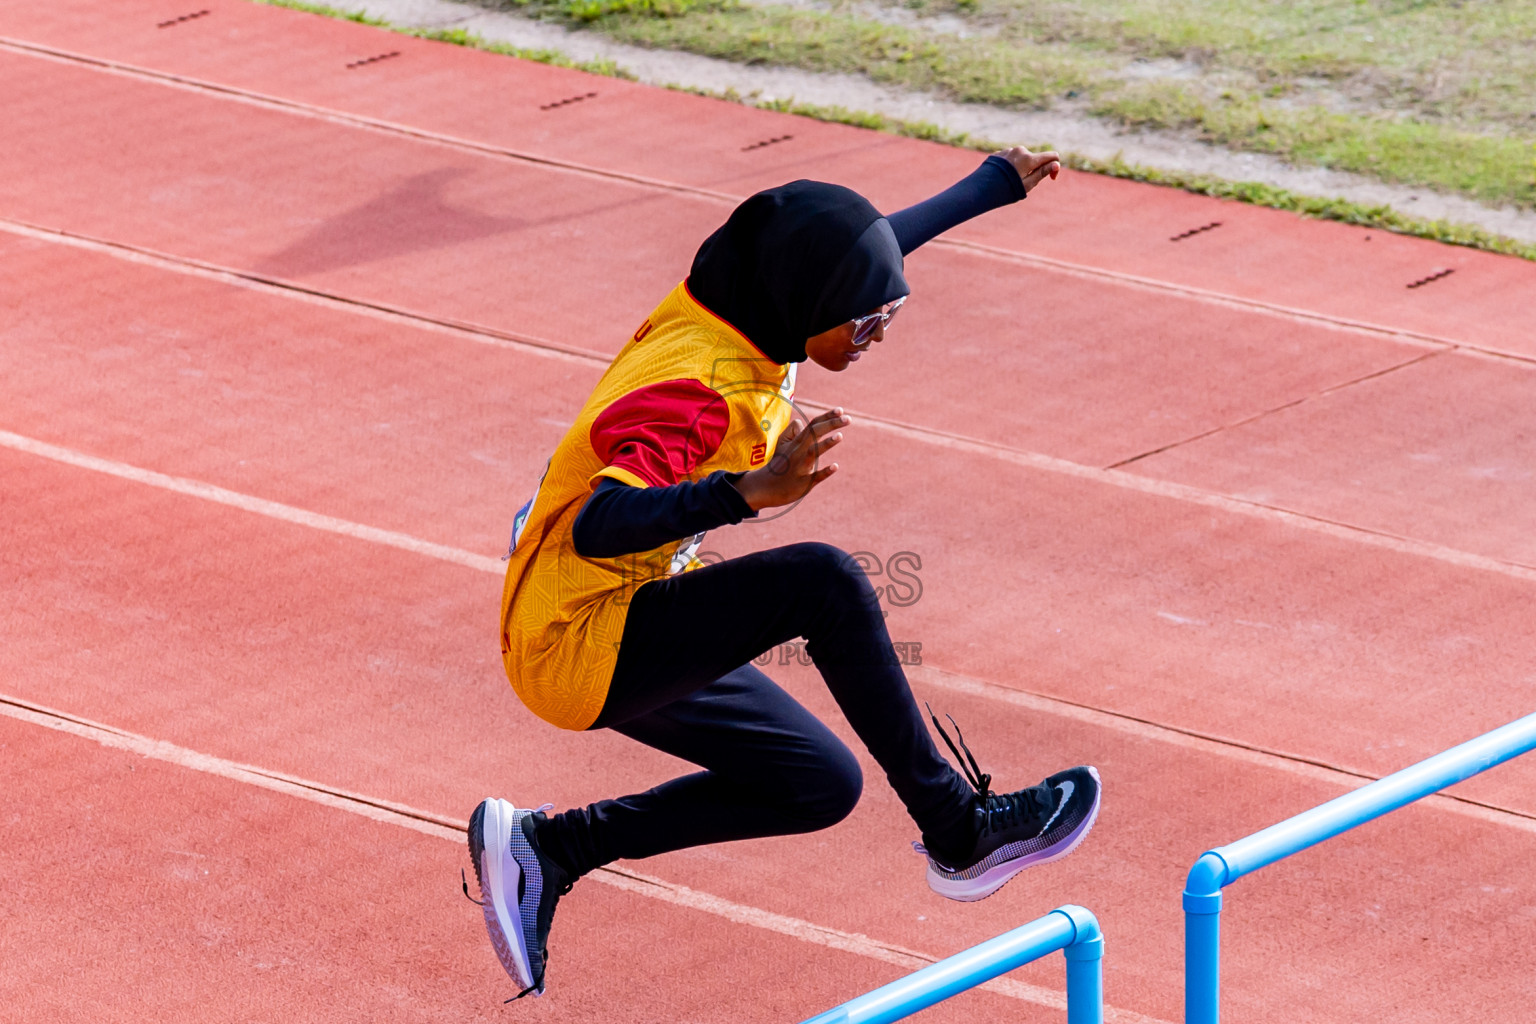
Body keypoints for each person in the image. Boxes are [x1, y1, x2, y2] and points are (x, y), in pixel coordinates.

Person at [468, 146, 1101, 999]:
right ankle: (962, 831)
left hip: (614, 610)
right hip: (578, 640)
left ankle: (553, 847)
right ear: (810, 305)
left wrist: (991, 187)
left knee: (817, 783)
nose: (876, 335)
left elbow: (868, 252)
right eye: (865, 324)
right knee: (825, 583)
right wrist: (743, 494)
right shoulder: (701, 390)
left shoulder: (746, 308)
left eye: (887, 316)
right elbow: (598, 522)